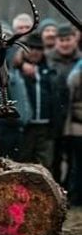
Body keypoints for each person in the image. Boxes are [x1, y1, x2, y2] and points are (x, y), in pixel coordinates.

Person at [46, 24, 82, 184]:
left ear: (75, 40)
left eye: (68, 40)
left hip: (75, 120)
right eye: (62, 40)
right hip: (53, 118)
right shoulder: (46, 59)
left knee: (74, 161)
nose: (65, 44)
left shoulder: (80, 61)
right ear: (56, 42)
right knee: (54, 159)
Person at [18, 32, 57, 170]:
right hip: (25, 127)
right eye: (31, 48)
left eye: (38, 48)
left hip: (46, 127)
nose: (35, 52)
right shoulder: (17, 70)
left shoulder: (50, 69)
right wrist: (21, 64)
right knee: (22, 165)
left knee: (45, 166)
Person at [65, 59, 82, 206]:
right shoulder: (76, 76)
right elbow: (68, 104)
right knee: (76, 165)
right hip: (77, 129)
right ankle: (75, 197)